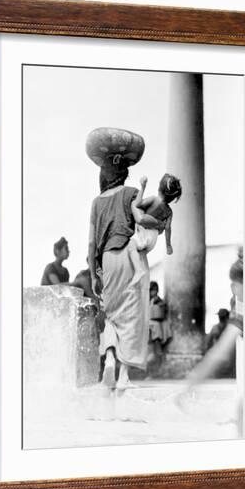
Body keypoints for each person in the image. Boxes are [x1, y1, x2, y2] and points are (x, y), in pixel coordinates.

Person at [86, 127, 161, 390]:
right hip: (128, 257)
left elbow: (92, 242)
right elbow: (147, 209)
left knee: (111, 315)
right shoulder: (130, 194)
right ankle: (124, 376)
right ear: (123, 173)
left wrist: (94, 274)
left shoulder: (97, 202)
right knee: (131, 315)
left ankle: (108, 360)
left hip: (107, 260)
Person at [177, 249, 244, 433]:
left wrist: (191, 382)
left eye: (234, 284)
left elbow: (220, 353)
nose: (232, 290)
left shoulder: (242, 311)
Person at [129, 174, 182, 277]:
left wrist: (143, 187)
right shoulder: (169, 212)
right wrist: (168, 245)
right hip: (153, 237)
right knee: (142, 252)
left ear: (159, 188)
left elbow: (137, 204)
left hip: (143, 231)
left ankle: (137, 270)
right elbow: (167, 228)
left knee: (132, 247)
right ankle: (139, 268)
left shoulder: (154, 199)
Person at [147, 281, 172, 378]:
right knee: (150, 353)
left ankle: (158, 371)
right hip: (150, 328)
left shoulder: (158, 300)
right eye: (151, 291)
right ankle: (152, 373)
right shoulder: (147, 300)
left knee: (157, 351)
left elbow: (163, 309)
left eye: (153, 290)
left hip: (157, 329)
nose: (152, 293)